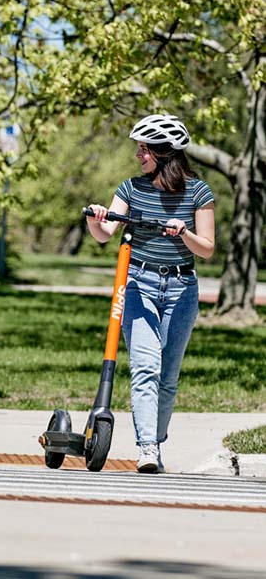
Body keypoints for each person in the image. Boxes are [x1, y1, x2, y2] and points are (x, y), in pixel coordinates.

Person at [85, 114, 215, 473]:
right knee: (145, 368)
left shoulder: (199, 192)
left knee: (168, 376)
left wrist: (184, 232)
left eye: (145, 149)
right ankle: (147, 449)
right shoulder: (130, 188)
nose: (139, 155)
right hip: (139, 285)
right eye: (139, 148)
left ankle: (155, 439)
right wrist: (96, 218)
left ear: (164, 152)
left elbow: (206, 248)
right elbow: (105, 233)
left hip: (182, 288)